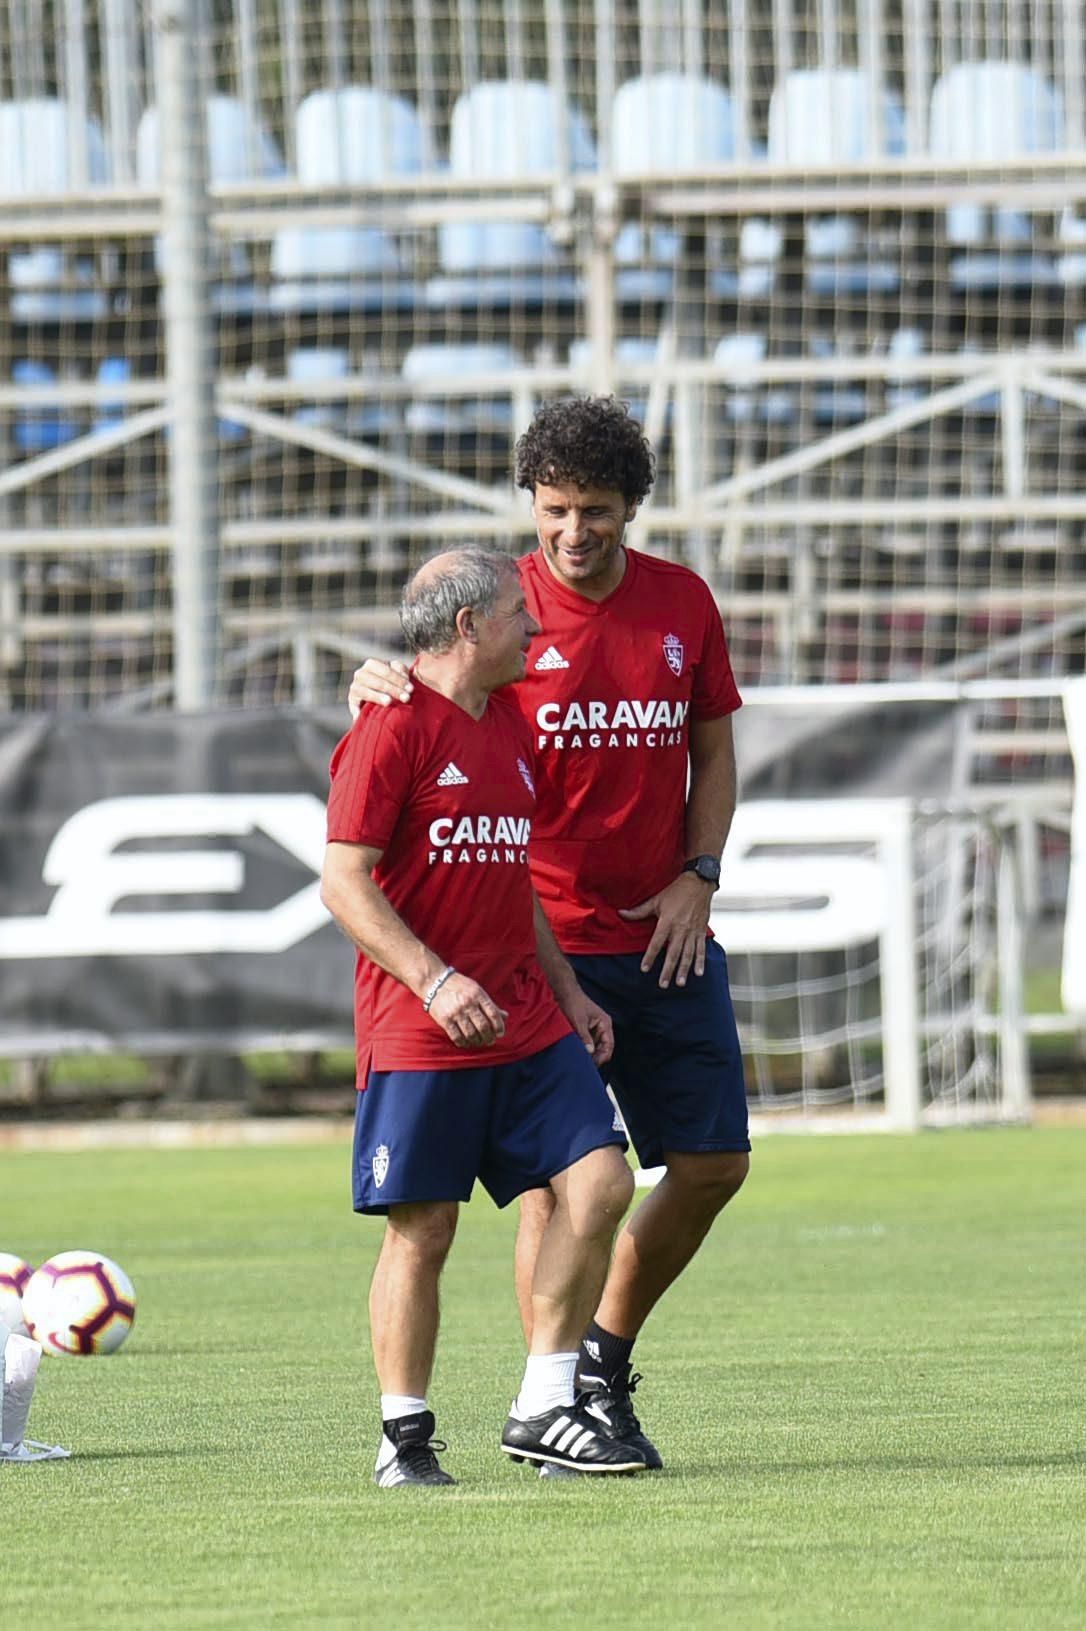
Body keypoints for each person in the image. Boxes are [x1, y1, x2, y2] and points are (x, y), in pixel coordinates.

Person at [349, 396, 750, 1472]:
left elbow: (713, 759)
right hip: (535, 947)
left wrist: (698, 875)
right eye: (557, 509)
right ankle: (553, 1398)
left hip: (662, 932)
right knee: (559, 1179)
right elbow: (421, 695)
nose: (576, 532)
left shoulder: (682, 605)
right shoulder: (494, 614)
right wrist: (375, 678)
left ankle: (595, 1360)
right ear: (532, 503)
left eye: (600, 511)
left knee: (714, 1162)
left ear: (633, 509)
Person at [322, 543, 646, 1487]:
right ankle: (403, 1439)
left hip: (528, 1019)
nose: (534, 625)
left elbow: (515, 885)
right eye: (516, 611)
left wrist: (571, 991)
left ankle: (544, 1403)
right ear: (469, 625)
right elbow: (344, 882)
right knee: (424, 1230)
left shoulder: (505, 719)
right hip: (423, 1025)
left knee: (601, 1184)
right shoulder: (388, 728)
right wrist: (433, 980)